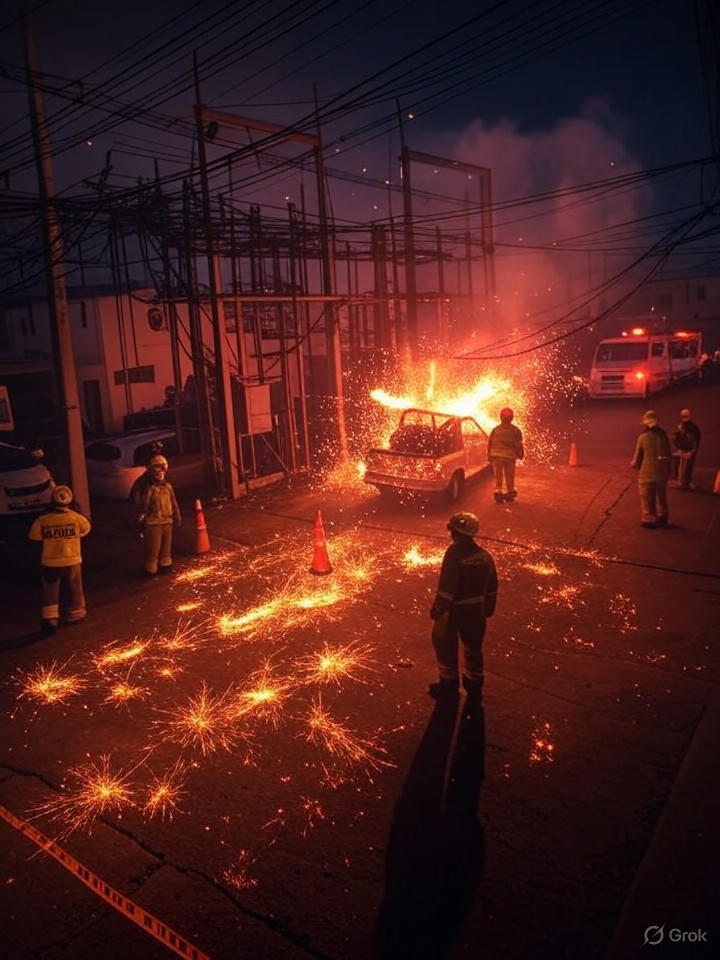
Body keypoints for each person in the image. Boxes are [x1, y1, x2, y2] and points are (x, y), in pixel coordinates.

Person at [428, 512, 498, 699]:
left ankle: (448, 684)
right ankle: (474, 684)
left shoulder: (454, 554)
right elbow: (492, 586)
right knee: (473, 648)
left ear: (455, 532)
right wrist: (488, 607)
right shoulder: (485, 556)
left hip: (455, 610)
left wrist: (438, 609)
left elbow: (447, 588)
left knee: (444, 644)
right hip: (477, 611)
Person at [28, 484, 91, 636]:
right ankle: (76, 613)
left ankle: (50, 619)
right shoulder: (76, 518)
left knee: (50, 590)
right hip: (72, 559)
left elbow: (34, 536)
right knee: (75, 586)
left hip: (51, 561)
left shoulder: (43, 520)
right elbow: (86, 529)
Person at [130, 453, 181, 576]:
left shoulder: (167, 486)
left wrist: (176, 516)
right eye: (158, 467)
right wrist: (141, 518)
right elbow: (142, 504)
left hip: (166, 521)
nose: (161, 471)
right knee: (154, 547)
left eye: (163, 467)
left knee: (166, 546)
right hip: (153, 523)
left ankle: (165, 564)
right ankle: (151, 567)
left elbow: (173, 502)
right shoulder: (148, 487)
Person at [630, 410, 672, 528]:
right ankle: (663, 516)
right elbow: (669, 453)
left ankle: (649, 519)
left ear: (646, 423)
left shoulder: (643, 437)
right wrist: (668, 469)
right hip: (662, 472)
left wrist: (634, 464)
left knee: (646, 496)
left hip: (647, 472)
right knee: (661, 495)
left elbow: (638, 457)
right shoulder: (664, 435)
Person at [487, 407, 524, 503]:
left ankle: (498, 491)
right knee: (510, 475)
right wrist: (521, 453)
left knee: (498, 476)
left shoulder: (496, 429)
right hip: (510, 457)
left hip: (497, 456)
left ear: (500, 417)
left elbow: (490, 443)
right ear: (512, 418)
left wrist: (489, 455)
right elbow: (519, 444)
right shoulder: (516, 430)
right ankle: (510, 492)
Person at [672, 408, 701, 490]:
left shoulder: (681, 427)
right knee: (688, 466)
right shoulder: (694, 427)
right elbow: (697, 439)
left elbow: (675, 439)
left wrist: (678, 448)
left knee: (681, 467)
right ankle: (686, 482)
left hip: (684, 450)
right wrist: (693, 451)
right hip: (689, 450)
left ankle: (681, 482)